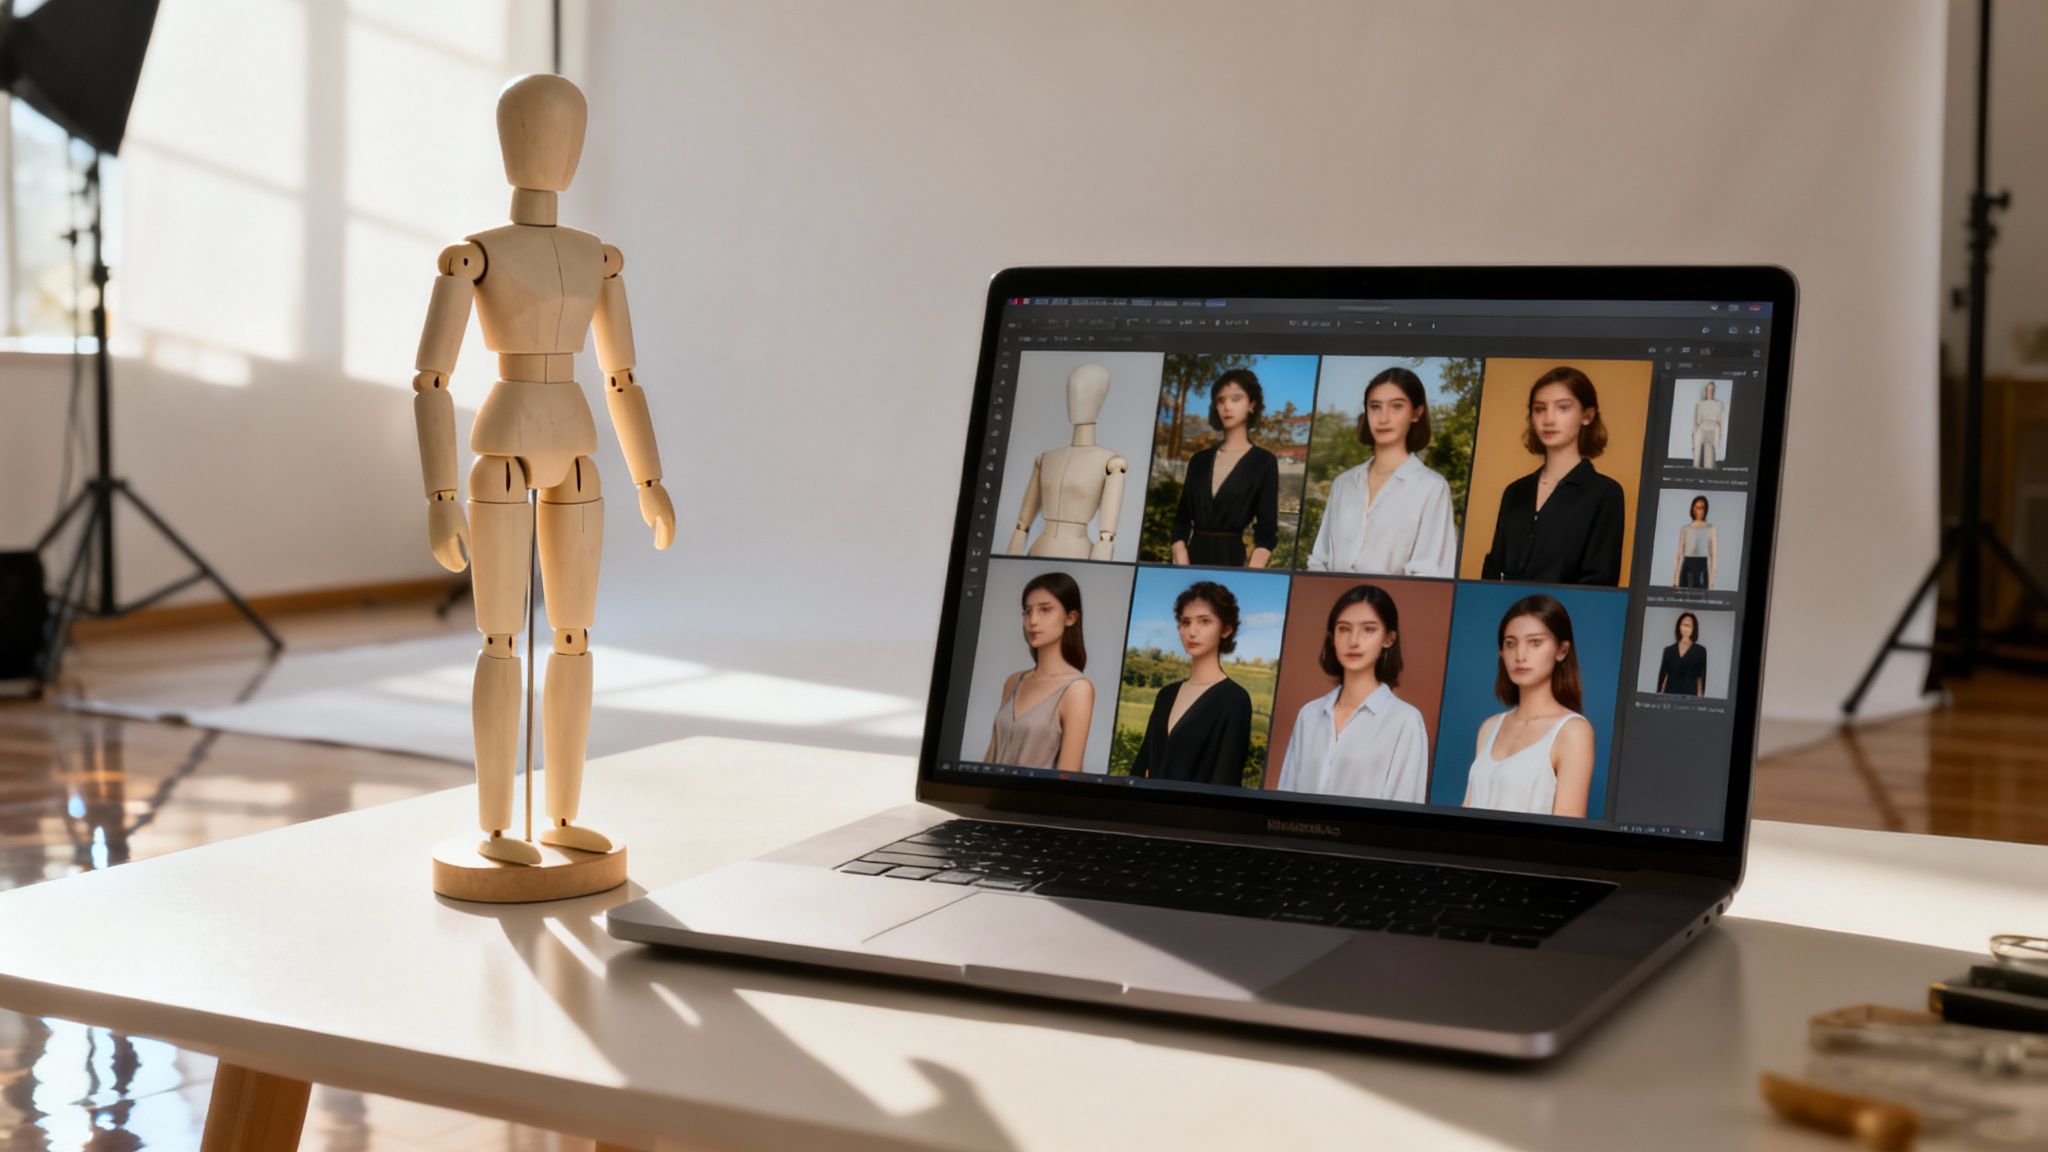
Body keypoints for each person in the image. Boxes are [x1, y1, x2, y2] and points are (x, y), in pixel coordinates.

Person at [1275, 584, 1429, 803]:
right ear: (1333, 636)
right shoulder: (1308, 715)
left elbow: (1404, 817)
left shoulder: (1406, 721)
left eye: (1369, 629)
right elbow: (1285, 797)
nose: (1353, 641)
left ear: (1389, 638)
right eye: (1344, 629)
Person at [1304, 366, 1458, 576]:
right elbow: (1319, 559)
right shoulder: (1343, 483)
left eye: (1396, 406)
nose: (1383, 418)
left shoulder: (1432, 488)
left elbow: (1431, 573)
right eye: (1375, 407)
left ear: (1416, 413)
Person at [1480, 366, 1626, 586]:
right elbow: (1492, 571)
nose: (1548, 419)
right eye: (1539, 409)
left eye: (1563, 408)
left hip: (1563, 618)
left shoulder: (1605, 494)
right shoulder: (1515, 491)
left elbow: (1599, 581)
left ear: (1587, 415)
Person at [1463, 594, 1596, 817]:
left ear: (1562, 650)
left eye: (1535, 642)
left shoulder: (1573, 732)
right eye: (1510, 644)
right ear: (1501, 651)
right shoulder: (1489, 727)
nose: (1520, 655)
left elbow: (1568, 835)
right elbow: (1468, 808)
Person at [1130, 580, 1253, 787]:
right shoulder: (1166, 695)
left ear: (1226, 629)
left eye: (1204, 621)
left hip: (1196, 817)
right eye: (1185, 622)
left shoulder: (1235, 700)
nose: (1192, 632)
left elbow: (1225, 784)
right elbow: (1138, 770)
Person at [985, 572, 1095, 771]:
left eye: (1045, 609)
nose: (1033, 620)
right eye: (1027, 611)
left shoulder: (1077, 689)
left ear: (1071, 618)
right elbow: (990, 756)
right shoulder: (1014, 681)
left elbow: (1068, 776)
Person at [1171, 369, 1280, 568]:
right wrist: (1181, 556)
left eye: (1236, 399)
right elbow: (1181, 520)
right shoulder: (1199, 460)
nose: (1227, 406)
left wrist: (1253, 570)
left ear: (1252, 404)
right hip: (1189, 560)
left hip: (1232, 560)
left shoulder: (1264, 461)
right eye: (1221, 400)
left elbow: (1266, 529)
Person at [1657, 611, 1709, 697]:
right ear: (1679, 626)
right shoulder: (1668, 650)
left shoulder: (1701, 651)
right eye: (1683, 624)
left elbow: (1701, 677)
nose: (1685, 628)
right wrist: (1660, 695)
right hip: (1669, 694)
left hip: (1690, 695)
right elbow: (1663, 676)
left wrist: (1700, 697)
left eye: (1689, 626)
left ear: (1694, 628)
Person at [1671, 495, 1717, 590]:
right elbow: (1679, 555)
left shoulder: (1710, 529)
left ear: (1705, 509)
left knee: (1700, 599)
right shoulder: (1685, 529)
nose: (1700, 510)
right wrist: (1675, 580)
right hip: (1687, 566)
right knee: (1685, 598)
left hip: (1702, 567)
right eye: (1697, 507)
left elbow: (1713, 556)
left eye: (1702, 507)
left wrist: (1711, 583)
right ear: (1693, 509)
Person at [1692, 381, 1725, 469]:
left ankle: (1713, 466)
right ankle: (1696, 466)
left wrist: (1720, 433)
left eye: (1712, 389)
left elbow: (1720, 421)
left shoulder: (1719, 404)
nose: (1710, 391)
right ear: (1705, 390)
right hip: (1702, 427)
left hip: (1714, 428)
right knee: (1697, 438)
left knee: (1710, 458)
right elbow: (1697, 421)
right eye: (1708, 389)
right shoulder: (1700, 404)